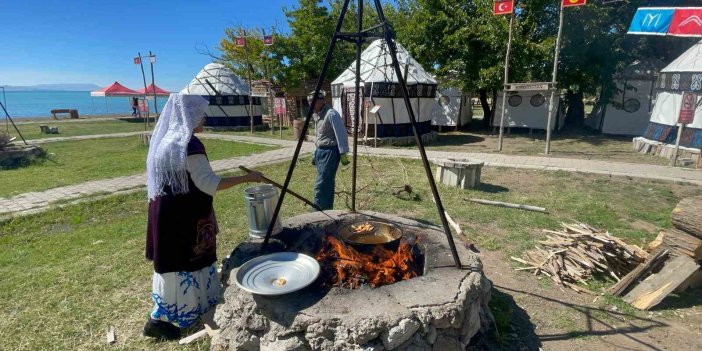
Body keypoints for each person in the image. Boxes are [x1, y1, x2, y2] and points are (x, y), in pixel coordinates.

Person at [143, 93, 263, 340]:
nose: (204, 117)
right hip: (184, 217)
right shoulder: (190, 144)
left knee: (172, 262)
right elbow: (209, 183)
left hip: (165, 213)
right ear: (188, 116)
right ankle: (163, 319)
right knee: (184, 260)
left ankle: (166, 312)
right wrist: (247, 178)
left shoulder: (167, 140)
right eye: (199, 113)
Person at [309, 90, 349, 210]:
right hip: (321, 152)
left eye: (313, 102)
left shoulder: (331, 114)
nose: (311, 105)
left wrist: (343, 152)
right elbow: (320, 136)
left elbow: (341, 134)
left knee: (322, 184)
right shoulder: (318, 115)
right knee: (325, 183)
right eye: (310, 102)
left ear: (321, 101)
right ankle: (325, 209)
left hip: (330, 153)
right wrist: (315, 152)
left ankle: (319, 211)